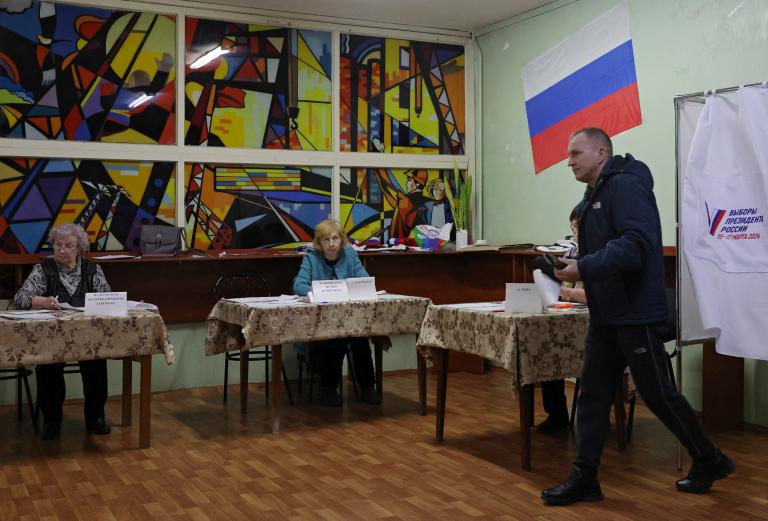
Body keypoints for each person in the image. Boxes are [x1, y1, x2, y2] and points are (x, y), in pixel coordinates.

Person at [541, 128, 735, 506]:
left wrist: (582, 268)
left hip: (635, 313)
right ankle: (585, 477)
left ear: (601, 153)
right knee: (594, 394)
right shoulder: (592, 196)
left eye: (576, 154)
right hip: (607, 313)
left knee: (658, 395)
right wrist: (576, 266)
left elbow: (636, 247)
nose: (569, 162)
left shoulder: (627, 187)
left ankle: (709, 458)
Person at [13, 223, 113, 440]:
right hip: (52, 338)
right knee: (49, 366)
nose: (62, 250)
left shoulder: (92, 270)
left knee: (96, 362)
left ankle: (95, 417)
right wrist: (43, 301)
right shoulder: (43, 270)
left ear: (79, 249)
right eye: (58, 245)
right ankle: (52, 419)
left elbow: (108, 299)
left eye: (69, 246)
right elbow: (20, 299)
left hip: (87, 336)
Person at [292, 219, 381, 406]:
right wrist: (319, 292)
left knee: (360, 339)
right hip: (320, 324)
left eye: (335, 238)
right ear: (318, 242)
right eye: (326, 239)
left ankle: (368, 387)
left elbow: (364, 280)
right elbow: (298, 285)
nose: (331, 243)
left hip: (351, 320)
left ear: (342, 240)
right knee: (334, 338)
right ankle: (328, 389)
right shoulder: (311, 257)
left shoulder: (350, 255)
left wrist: (347, 289)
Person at [537, 205, 585, 435]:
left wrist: (566, 294)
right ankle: (556, 414)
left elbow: (597, 295)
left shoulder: (605, 255)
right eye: (573, 228)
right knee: (544, 346)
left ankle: (591, 419)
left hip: (594, 323)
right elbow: (564, 289)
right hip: (567, 318)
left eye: (579, 228)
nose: (575, 233)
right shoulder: (571, 254)